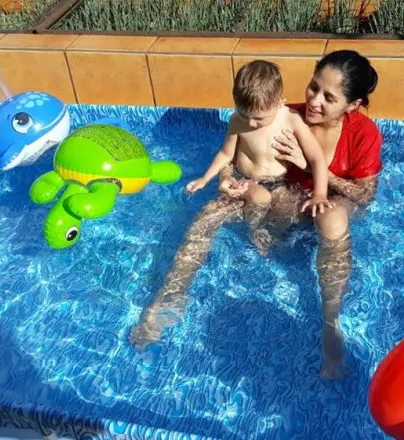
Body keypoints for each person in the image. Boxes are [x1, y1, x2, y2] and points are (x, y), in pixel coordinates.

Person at [130, 50, 382, 379]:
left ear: (352, 104)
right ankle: (170, 297)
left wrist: (315, 171)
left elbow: (365, 195)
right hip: (277, 195)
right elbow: (236, 152)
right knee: (207, 214)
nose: (314, 100)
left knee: (332, 219)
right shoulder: (278, 113)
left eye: (329, 97)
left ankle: (330, 321)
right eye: (313, 86)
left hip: (326, 203)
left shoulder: (363, 134)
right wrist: (225, 180)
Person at [185, 60, 331, 253]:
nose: (251, 123)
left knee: (287, 210)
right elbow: (226, 153)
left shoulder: (291, 120)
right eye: (245, 115)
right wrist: (205, 178)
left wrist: (320, 194)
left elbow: (317, 159)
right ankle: (252, 229)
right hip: (246, 180)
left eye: (259, 118)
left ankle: (266, 235)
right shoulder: (237, 120)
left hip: (280, 182)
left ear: (280, 102)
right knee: (260, 198)